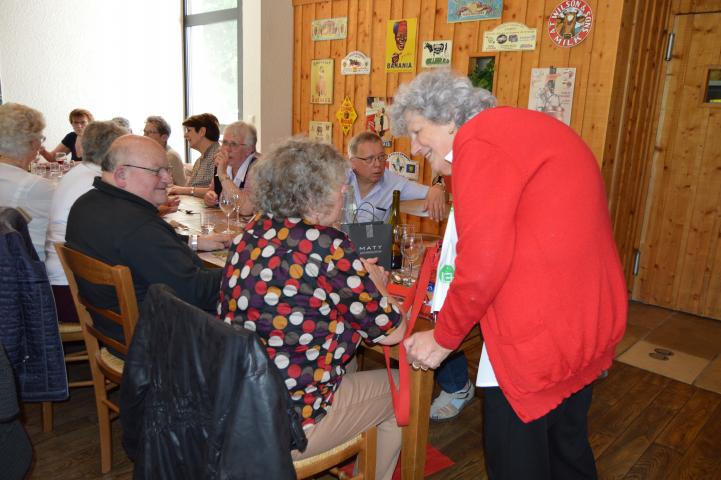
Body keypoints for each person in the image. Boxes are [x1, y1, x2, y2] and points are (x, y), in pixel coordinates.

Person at [391, 70, 627, 479]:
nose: (413, 147)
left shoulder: (478, 142)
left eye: (417, 131)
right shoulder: (518, 128)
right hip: (583, 320)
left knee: (515, 459)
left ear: (449, 118)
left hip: (538, 337)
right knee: (566, 449)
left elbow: (481, 262)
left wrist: (443, 338)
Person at [217, 137, 407, 480]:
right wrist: (378, 285)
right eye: (338, 185)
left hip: (240, 399)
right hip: (286, 420)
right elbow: (393, 331)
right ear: (314, 196)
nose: (344, 191)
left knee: (350, 360)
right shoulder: (327, 246)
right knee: (402, 388)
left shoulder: (251, 232)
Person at [66, 135, 231, 351]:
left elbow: (144, 248)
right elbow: (197, 293)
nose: (168, 179)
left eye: (167, 169)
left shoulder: (86, 204)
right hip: (158, 345)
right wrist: (246, 265)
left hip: (115, 331)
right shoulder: (137, 226)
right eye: (157, 171)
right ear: (121, 174)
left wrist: (194, 241)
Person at [45, 120, 129, 323]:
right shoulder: (98, 182)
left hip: (58, 286)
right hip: (73, 295)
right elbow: (126, 237)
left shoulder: (79, 172)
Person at [347, 131, 446, 222]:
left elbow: (432, 193)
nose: (378, 164)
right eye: (369, 159)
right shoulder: (341, 178)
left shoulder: (394, 183)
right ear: (353, 163)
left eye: (381, 157)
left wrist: (438, 187)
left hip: (374, 237)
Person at [0, 103, 54, 260]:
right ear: (31, 143)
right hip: (33, 265)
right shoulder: (35, 186)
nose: (41, 144)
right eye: (41, 138)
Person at [202, 120, 257, 216]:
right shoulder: (223, 164)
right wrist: (209, 197)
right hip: (227, 221)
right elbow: (212, 190)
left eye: (234, 144)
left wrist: (223, 174)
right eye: (225, 142)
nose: (227, 149)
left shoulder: (258, 168)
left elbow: (246, 209)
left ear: (249, 149)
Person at [168, 113, 220, 197]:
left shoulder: (219, 157)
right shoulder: (199, 161)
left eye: (189, 130)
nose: (185, 135)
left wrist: (181, 190)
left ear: (202, 131)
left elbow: (218, 191)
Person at [144, 115, 186, 186]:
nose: (144, 136)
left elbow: (181, 185)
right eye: (144, 132)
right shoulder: (147, 154)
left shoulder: (171, 156)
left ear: (164, 137)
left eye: (149, 132)